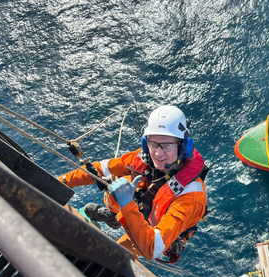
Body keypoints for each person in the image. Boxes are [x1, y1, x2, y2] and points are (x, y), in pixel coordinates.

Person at [58, 105, 208, 263]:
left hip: (155, 231)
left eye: (166, 145)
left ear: (183, 146)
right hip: (142, 208)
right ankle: (114, 216)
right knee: (116, 186)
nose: (158, 153)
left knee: (115, 254)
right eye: (153, 143)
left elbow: (152, 248)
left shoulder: (191, 195)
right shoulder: (142, 158)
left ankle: (123, 219)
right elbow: (100, 169)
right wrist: (61, 183)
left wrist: (127, 204)